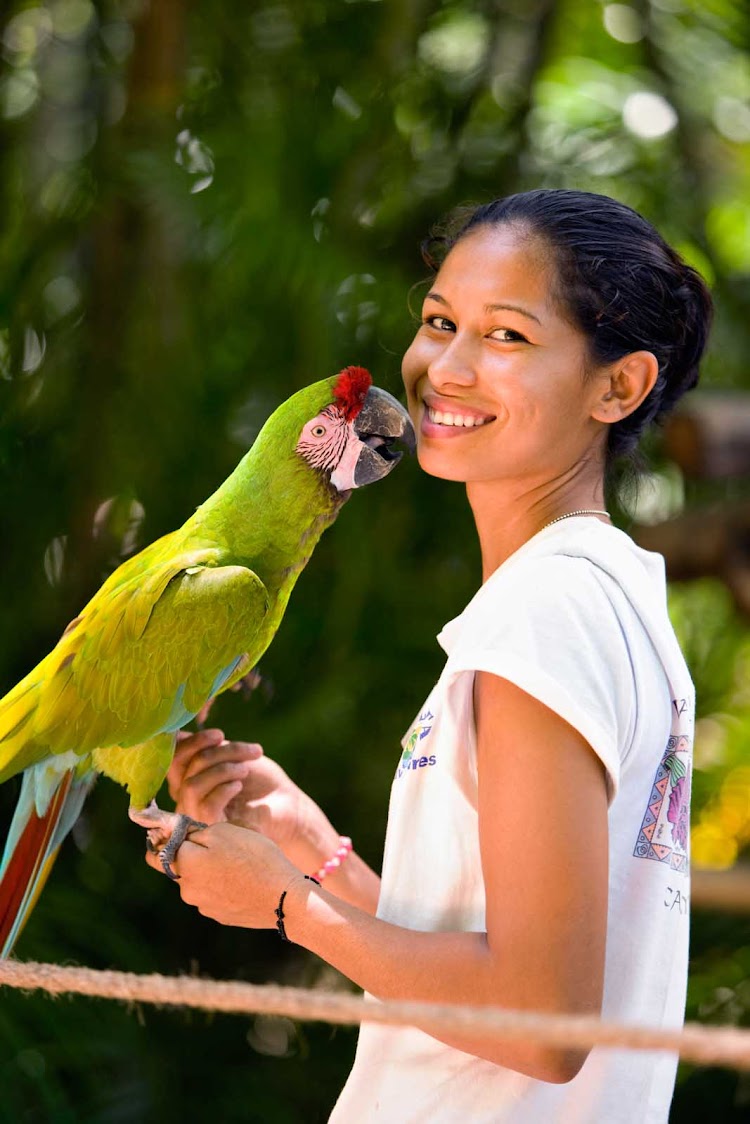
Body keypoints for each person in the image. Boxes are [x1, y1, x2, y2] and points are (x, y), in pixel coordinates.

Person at [147, 188, 712, 1122]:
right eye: (440, 320)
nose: (445, 368)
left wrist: (288, 905)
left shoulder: (545, 613)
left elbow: (543, 1022)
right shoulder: (607, 596)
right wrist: (319, 856)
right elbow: (496, 974)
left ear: (619, 386)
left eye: (507, 337)